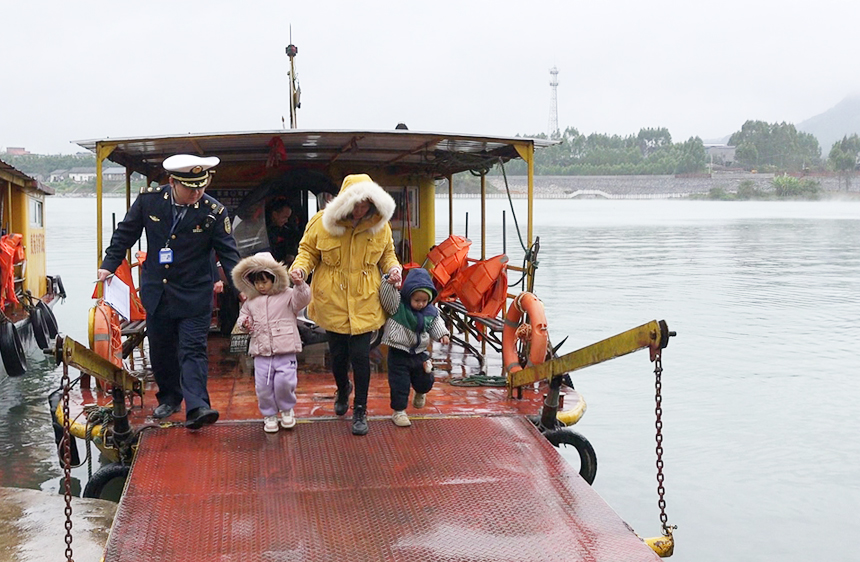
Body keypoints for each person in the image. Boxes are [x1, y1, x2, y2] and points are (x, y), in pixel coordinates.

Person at [97, 154, 241, 430]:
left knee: (192, 349)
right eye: (191, 187)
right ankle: (170, 397)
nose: (197, 192)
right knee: (162, 350)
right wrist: (109, 265)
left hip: (194, 293)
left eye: (202, 186)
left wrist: (243, 288)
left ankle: (198, 406)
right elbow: (125, 234)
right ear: (173, 182)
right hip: (158, 292)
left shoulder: (213, 212)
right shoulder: (149, 201)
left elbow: (229, 253)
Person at [290, 173, 401, 435]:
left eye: (366, 204)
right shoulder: (321, 222)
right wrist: (300, 270)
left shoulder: (379, 225)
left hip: (365, 300)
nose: (360, 209)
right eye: (356, 204)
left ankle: (360, 410)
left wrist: (394, 269)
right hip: (333, 301)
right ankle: (343, 388)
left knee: (361, 357)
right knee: (338, 356)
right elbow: (307, 252)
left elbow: (388, 254)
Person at [232, 251, 311, 433]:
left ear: (274, 279)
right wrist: (244, 323)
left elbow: (303, 300)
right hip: (261, 351)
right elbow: (243, 318)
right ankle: (269, 414)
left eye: (264, 281)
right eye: (257, 282)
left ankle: (286, 409)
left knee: (285, 382)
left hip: (285, 349)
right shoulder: (251, 301)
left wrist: (300, 284)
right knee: (263, 386)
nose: (261, 286)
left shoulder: (288, 294)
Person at [379, 267, 450, 427]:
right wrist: (387, 281)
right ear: (409, 295)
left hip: (420, 353)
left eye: (424, 301)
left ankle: (420, 391)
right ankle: (399, 412)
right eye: (417, 300)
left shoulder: (431, 311)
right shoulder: (397, 305)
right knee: (399, 384)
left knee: (426, 379)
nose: (421, 304)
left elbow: (436, 323)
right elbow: (386, 296)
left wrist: (442, 334)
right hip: (399, 352)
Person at [265, 197, 303, 264]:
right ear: (275, 215)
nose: (286, 221)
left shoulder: (288, 231)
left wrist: (291, 253)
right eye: (284, 217)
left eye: (288, 218)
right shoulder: (264, 230)